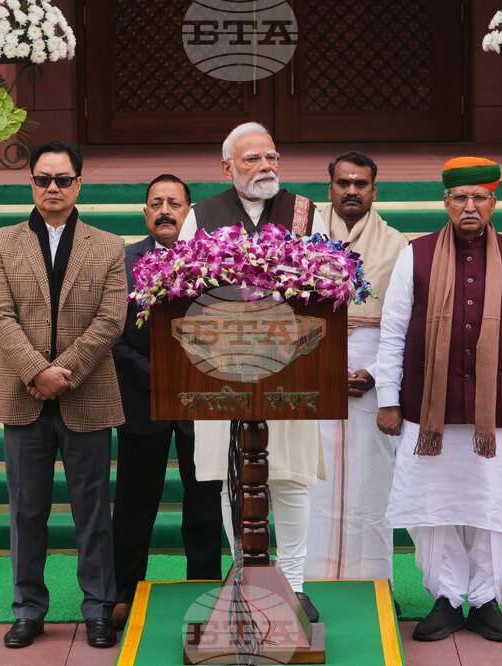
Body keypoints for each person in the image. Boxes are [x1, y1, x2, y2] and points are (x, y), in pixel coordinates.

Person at [375, 157, 502, 643]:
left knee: (498, 505)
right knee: (432, 507)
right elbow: (393, 331)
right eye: (460, 197)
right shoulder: (415, 255)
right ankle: (447, 598)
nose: (469, 205)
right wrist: (388, 397)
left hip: (501, 410)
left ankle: (488, 598)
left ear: (494, 203)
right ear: (446, 202)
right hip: (428, 408)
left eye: (479, 197)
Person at [0, 141, 127, 650]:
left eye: (63, 179)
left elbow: (111, 319)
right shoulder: (2, 242)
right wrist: (36, 372)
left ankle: (99, 609)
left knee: (93, 512)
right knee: (26, 511)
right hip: (22, 396)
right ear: (32, 183)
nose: (53, 188)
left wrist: (64, 371)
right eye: (43, 179)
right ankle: (28, 610)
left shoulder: (108, 246)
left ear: (79, 183)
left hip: (87, 393)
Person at [178, 122, 327, 622]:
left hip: (292, 367)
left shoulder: (305, 212)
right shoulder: (200, 216)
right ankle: (244, 577)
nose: (266, 167)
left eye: (272, 157)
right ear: (227, 167)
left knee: (290, 478)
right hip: (222, 371)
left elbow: (328, 283)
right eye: (252, 159)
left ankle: (296, 585)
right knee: (231, 478)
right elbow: (180, 290)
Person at [109, 174, 223, 629]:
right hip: (142, 397)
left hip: (202, 399)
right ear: (145, 213)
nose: (164, 211)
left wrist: (192, 377)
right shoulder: (123, 261)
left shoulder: (213, 259)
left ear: (189, 212)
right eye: (156, 203)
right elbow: (112, 335)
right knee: (134, 505)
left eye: (174, 203)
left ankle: (205, 590)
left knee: (204, 504)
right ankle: (124, 591)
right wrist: (159, 378)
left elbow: (225, 326)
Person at [305, 151, 407, 586]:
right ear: (329, 188)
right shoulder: (301, 238)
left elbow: (407, 323)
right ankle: (306, 581)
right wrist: (320, 368)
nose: (351, 191)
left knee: (372, 481)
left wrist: (377, 372)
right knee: (312, 479)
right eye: (343, 183)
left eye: (360, 184)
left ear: (373, 190)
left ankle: (375, 584)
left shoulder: (398, 245)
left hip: (373, 376)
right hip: (311, 368)